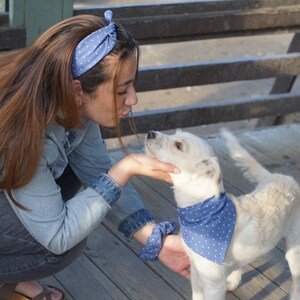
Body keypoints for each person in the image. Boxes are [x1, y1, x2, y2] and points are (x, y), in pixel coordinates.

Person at [0, 10, 190, 300]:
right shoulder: (26, 131)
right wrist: (126, 167)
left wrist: (157, 239)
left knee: (80, 180)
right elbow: (58, 235)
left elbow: (96, 170)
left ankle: (14, 280)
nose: (133, 99)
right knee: (62, 246)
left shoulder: (74, 106)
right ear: (79, 90)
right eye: (121, 91)